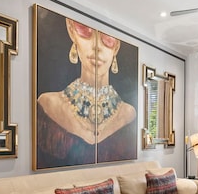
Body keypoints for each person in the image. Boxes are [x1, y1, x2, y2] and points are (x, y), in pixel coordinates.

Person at [36, 17, 136, 168]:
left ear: (116, 47)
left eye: (107, 40)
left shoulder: (128, 114)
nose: (97, 47)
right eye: (84, 31)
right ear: (71, 32)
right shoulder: (48, 105)